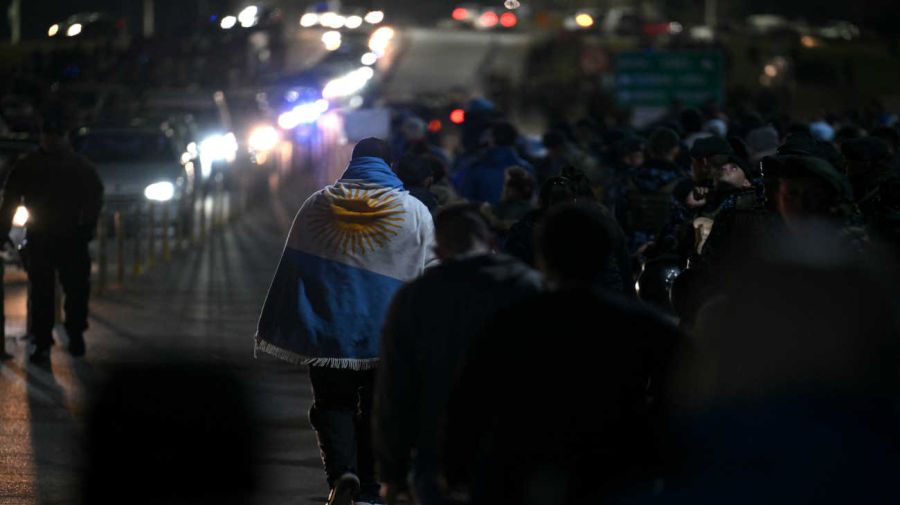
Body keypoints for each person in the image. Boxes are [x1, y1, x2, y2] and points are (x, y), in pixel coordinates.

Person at [444, 204, 681, 504]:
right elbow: (682, 404)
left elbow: (470, 404)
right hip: (619, 474)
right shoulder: (648, 328)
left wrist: (457, 472)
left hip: (526, 471)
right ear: (606, 254)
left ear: (543, 258)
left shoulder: (509, 325)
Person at [255, 138, 436, 505]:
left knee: (332, 403)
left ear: (353, 162)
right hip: (388, 335)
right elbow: (431, 272)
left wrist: (294, 317)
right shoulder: (414, 210)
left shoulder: (318, 203)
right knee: (376, 408)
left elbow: (297, 266)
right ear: (391, 165)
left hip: (330, 330)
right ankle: (370, 489)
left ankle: (342, 474)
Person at [373, 204, 542, 505]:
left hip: (438, 451)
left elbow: (395, 389)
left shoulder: (416, 296)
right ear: (491, 242)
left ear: (438, 249)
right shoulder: (530, 287)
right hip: (517, 450)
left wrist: (392, 472)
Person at [0, 113, 103, 363]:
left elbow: (94, 199)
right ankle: (43, 342)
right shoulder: (31, 165)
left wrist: (85, 229)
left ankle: (74, 334)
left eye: (56, 135)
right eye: (49, 135)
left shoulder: (79, 166)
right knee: (42, 294)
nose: (52, 140)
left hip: (70, 237)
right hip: (42, 236)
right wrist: (2, 232)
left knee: (75, 290)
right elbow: (11, 201)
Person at [456, 121, 534, 205]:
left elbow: (466, 200)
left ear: (492, 140)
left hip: (486, 216)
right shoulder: (527, 168)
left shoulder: (477, 169)